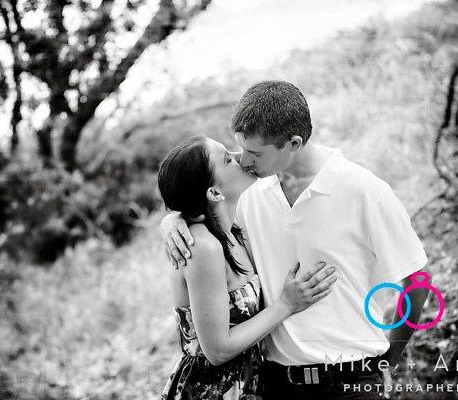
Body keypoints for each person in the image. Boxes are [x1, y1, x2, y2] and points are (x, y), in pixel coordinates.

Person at [161, 81, 431, 399]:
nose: (244, 160)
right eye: (240, 149)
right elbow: (206, 214)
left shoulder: (364, 191)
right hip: (274, 385)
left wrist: (390, 359)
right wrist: (174, 219)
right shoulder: (248, 195)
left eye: (255, 153)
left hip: (351, 382)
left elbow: (418, 279)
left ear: (293, 143)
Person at [157, 135, 338, 399]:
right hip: (213, 390)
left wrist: (172, 219)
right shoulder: (202, 248)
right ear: (215, 193)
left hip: (249, 382)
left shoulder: (232, 230)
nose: (240, 157)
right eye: (227, 159)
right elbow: (218, 350)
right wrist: (286, 304)